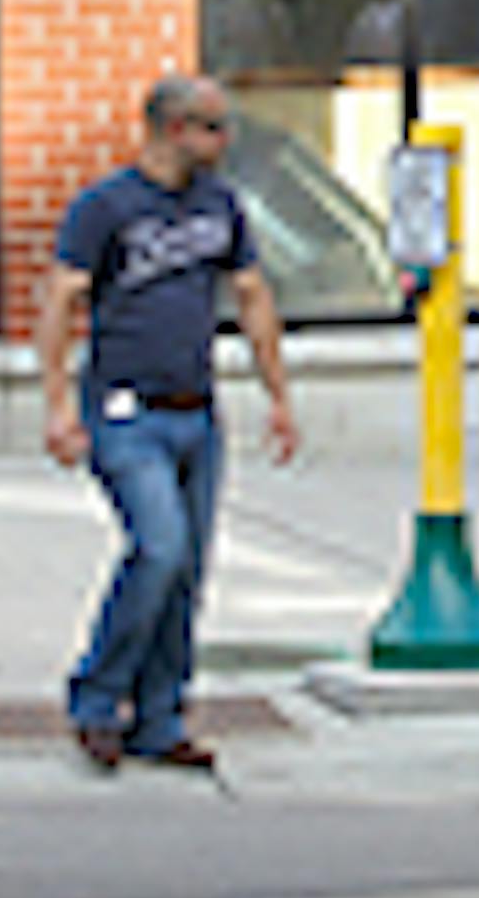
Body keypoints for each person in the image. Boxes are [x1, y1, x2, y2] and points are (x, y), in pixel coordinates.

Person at [36, 75, 300, 774]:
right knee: (158, 548)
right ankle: (97, 700)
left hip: (196, 413)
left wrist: (278, 396)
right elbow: (60, 301)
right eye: (213, 126)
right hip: (125, 412)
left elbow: (252, 296)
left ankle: (159, 719)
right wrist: (59, 406)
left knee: (186, 573)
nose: (225, 139)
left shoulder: (221, 205)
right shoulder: (105, 207)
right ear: (173, 129)